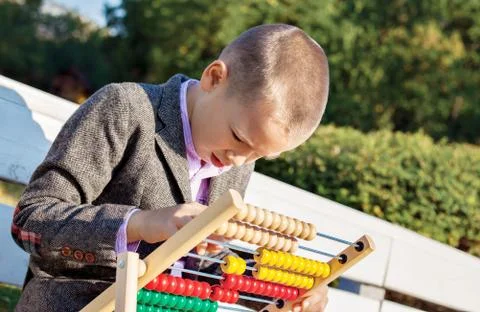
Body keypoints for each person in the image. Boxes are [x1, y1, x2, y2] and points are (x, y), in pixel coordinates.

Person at [11, 24, 329, 311]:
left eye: (259, 155)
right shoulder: (126, 109)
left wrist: (279, 289)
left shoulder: (236, 162)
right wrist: (140, 223)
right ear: (214, 78)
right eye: (238, 137)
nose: (239, 161)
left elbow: (194, 270)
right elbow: (30, 221)